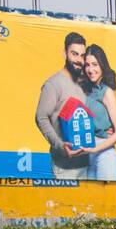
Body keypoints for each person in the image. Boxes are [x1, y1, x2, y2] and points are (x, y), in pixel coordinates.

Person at [33, 31, 90, 180]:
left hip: (89, 164)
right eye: (74, 54)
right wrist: (59, 146)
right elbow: (41, 117)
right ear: (64, 53)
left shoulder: (86, 83)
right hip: (65, 167)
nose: (79, 60)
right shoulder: (53, 84)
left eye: (82, 55)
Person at [80, 44, 116, 181]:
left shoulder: (107, 92)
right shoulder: (87, 92)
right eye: (87, 65)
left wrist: (95, 148)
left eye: (95, 64)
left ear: (102, 66)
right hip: (88, 157)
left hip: (105, 156)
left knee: (107, 201)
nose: (91, 69)